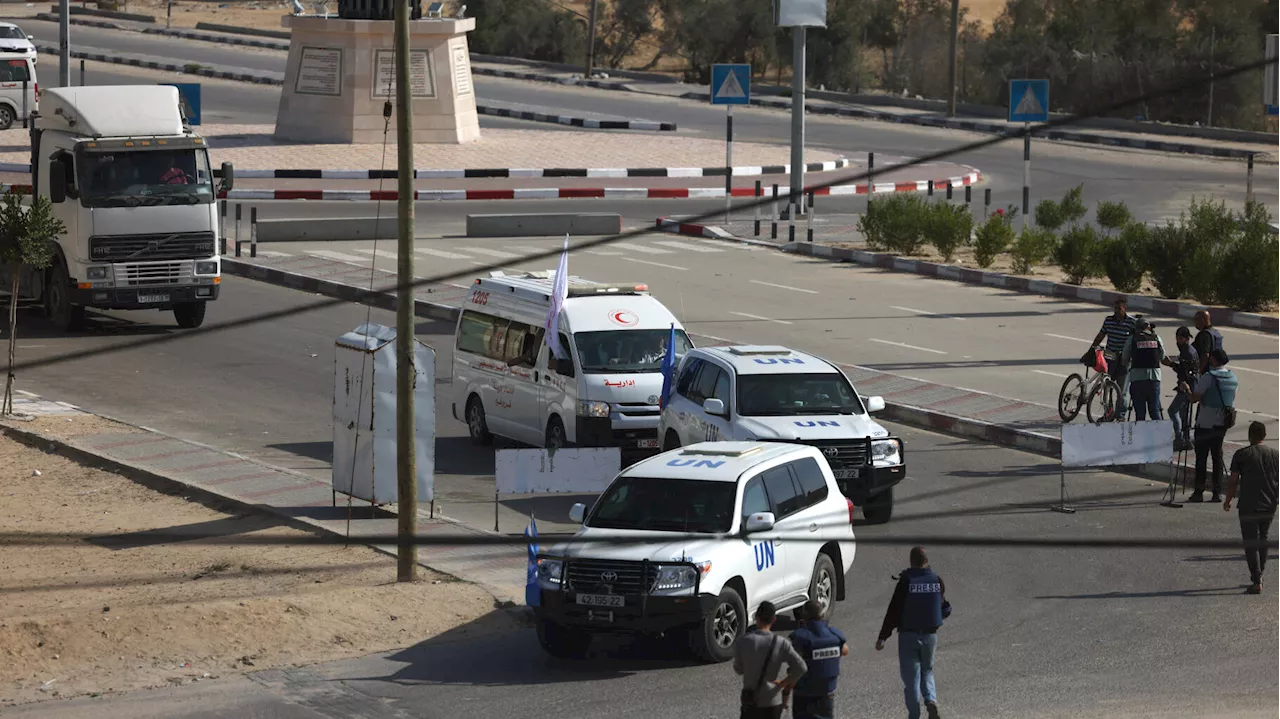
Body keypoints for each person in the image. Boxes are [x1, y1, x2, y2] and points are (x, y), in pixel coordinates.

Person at [877, 547, 951, 719]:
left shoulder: (906, 582)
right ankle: (931, 700)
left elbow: (894, 611)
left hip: (908, 636)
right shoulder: (936, 581)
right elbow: (944, 608)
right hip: (930, 636)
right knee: (927, 671)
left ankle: (914, 715)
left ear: (911, 562)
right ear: (926, 561)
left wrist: (883, 637)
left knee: (911, 681)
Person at [1223, 422, 1280, 594]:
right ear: (1264, 435)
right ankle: (1260, 574)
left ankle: (1256, 580)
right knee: (1263, 538)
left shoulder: (1242, 454)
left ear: (1250, 436)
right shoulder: (1276, 455)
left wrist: (1228, 500)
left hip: (1248, 505)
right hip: (1270, 504)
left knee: (1250, 542)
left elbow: (1233, 480)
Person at [1181, 349, 1238, 503]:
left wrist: (1186, 389)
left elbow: (1194, 398)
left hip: (1205, 422)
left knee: (1201, 458)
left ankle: (1198, 492)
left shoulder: (1208, 377)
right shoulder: (1233, 377)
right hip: (1222, 423)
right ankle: (1217, 493)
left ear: (1213, 360)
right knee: (1217, 457)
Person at [734, 601, 807, 719]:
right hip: (772, 700)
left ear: (756, 617)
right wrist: (784, 683)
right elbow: (801, 668)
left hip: (750, 700)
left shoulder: (742, 641)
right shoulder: (781, 643)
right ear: (773, 620)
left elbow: (738, 669)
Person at [789, 600, 848, 719]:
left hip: (804, 696)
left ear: (804, 616)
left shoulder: (800, 637)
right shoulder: (834, 635)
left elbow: (793, 661)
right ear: (822, 615)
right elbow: (845, 650)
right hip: (827, 694)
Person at [1092, 297, 1137, 419]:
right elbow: (1101, 335)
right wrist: (1092, 348)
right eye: (1115, 308)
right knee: (1107, 387)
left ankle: (1120, 415)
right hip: (1110, 358)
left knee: (1122, 390)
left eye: (1119, 308)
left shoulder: (1132, 322)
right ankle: (1108, 413)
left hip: (1124, 360)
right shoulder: (1109, 320)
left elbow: (1137, 340)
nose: (1116, 311)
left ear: (1125, 308)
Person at [1162, 326, 1199, 451]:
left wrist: (1171, 364)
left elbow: (1185, 371)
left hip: (1187, 386)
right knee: (1184, 413)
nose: (1178, 341)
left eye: (1181, 338)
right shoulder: (1188, 350)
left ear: (1187, 339)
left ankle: (1179, 439)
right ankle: (1186, 439)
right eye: (1177, 338)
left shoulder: (1187, 352)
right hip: (1189, 384)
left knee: (1173, 411)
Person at [1121, 317, 1165, 421]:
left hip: (1137, 380)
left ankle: (1140, 436)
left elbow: (1124, 359)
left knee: (1140, 414)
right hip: (1154, 379)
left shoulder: (1132, 339)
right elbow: (1162, 356)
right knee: (1155, 411)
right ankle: (1159, 434)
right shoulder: (1156, 338)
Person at [1192, 310, 1224, 376]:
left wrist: (1198, 372)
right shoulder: (1215, 332)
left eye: (1196, 320)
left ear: (1203, 320)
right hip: (1217, 369)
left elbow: (1205, 355)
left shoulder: (1204, 334)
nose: (1195, 322)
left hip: (1206, 371)